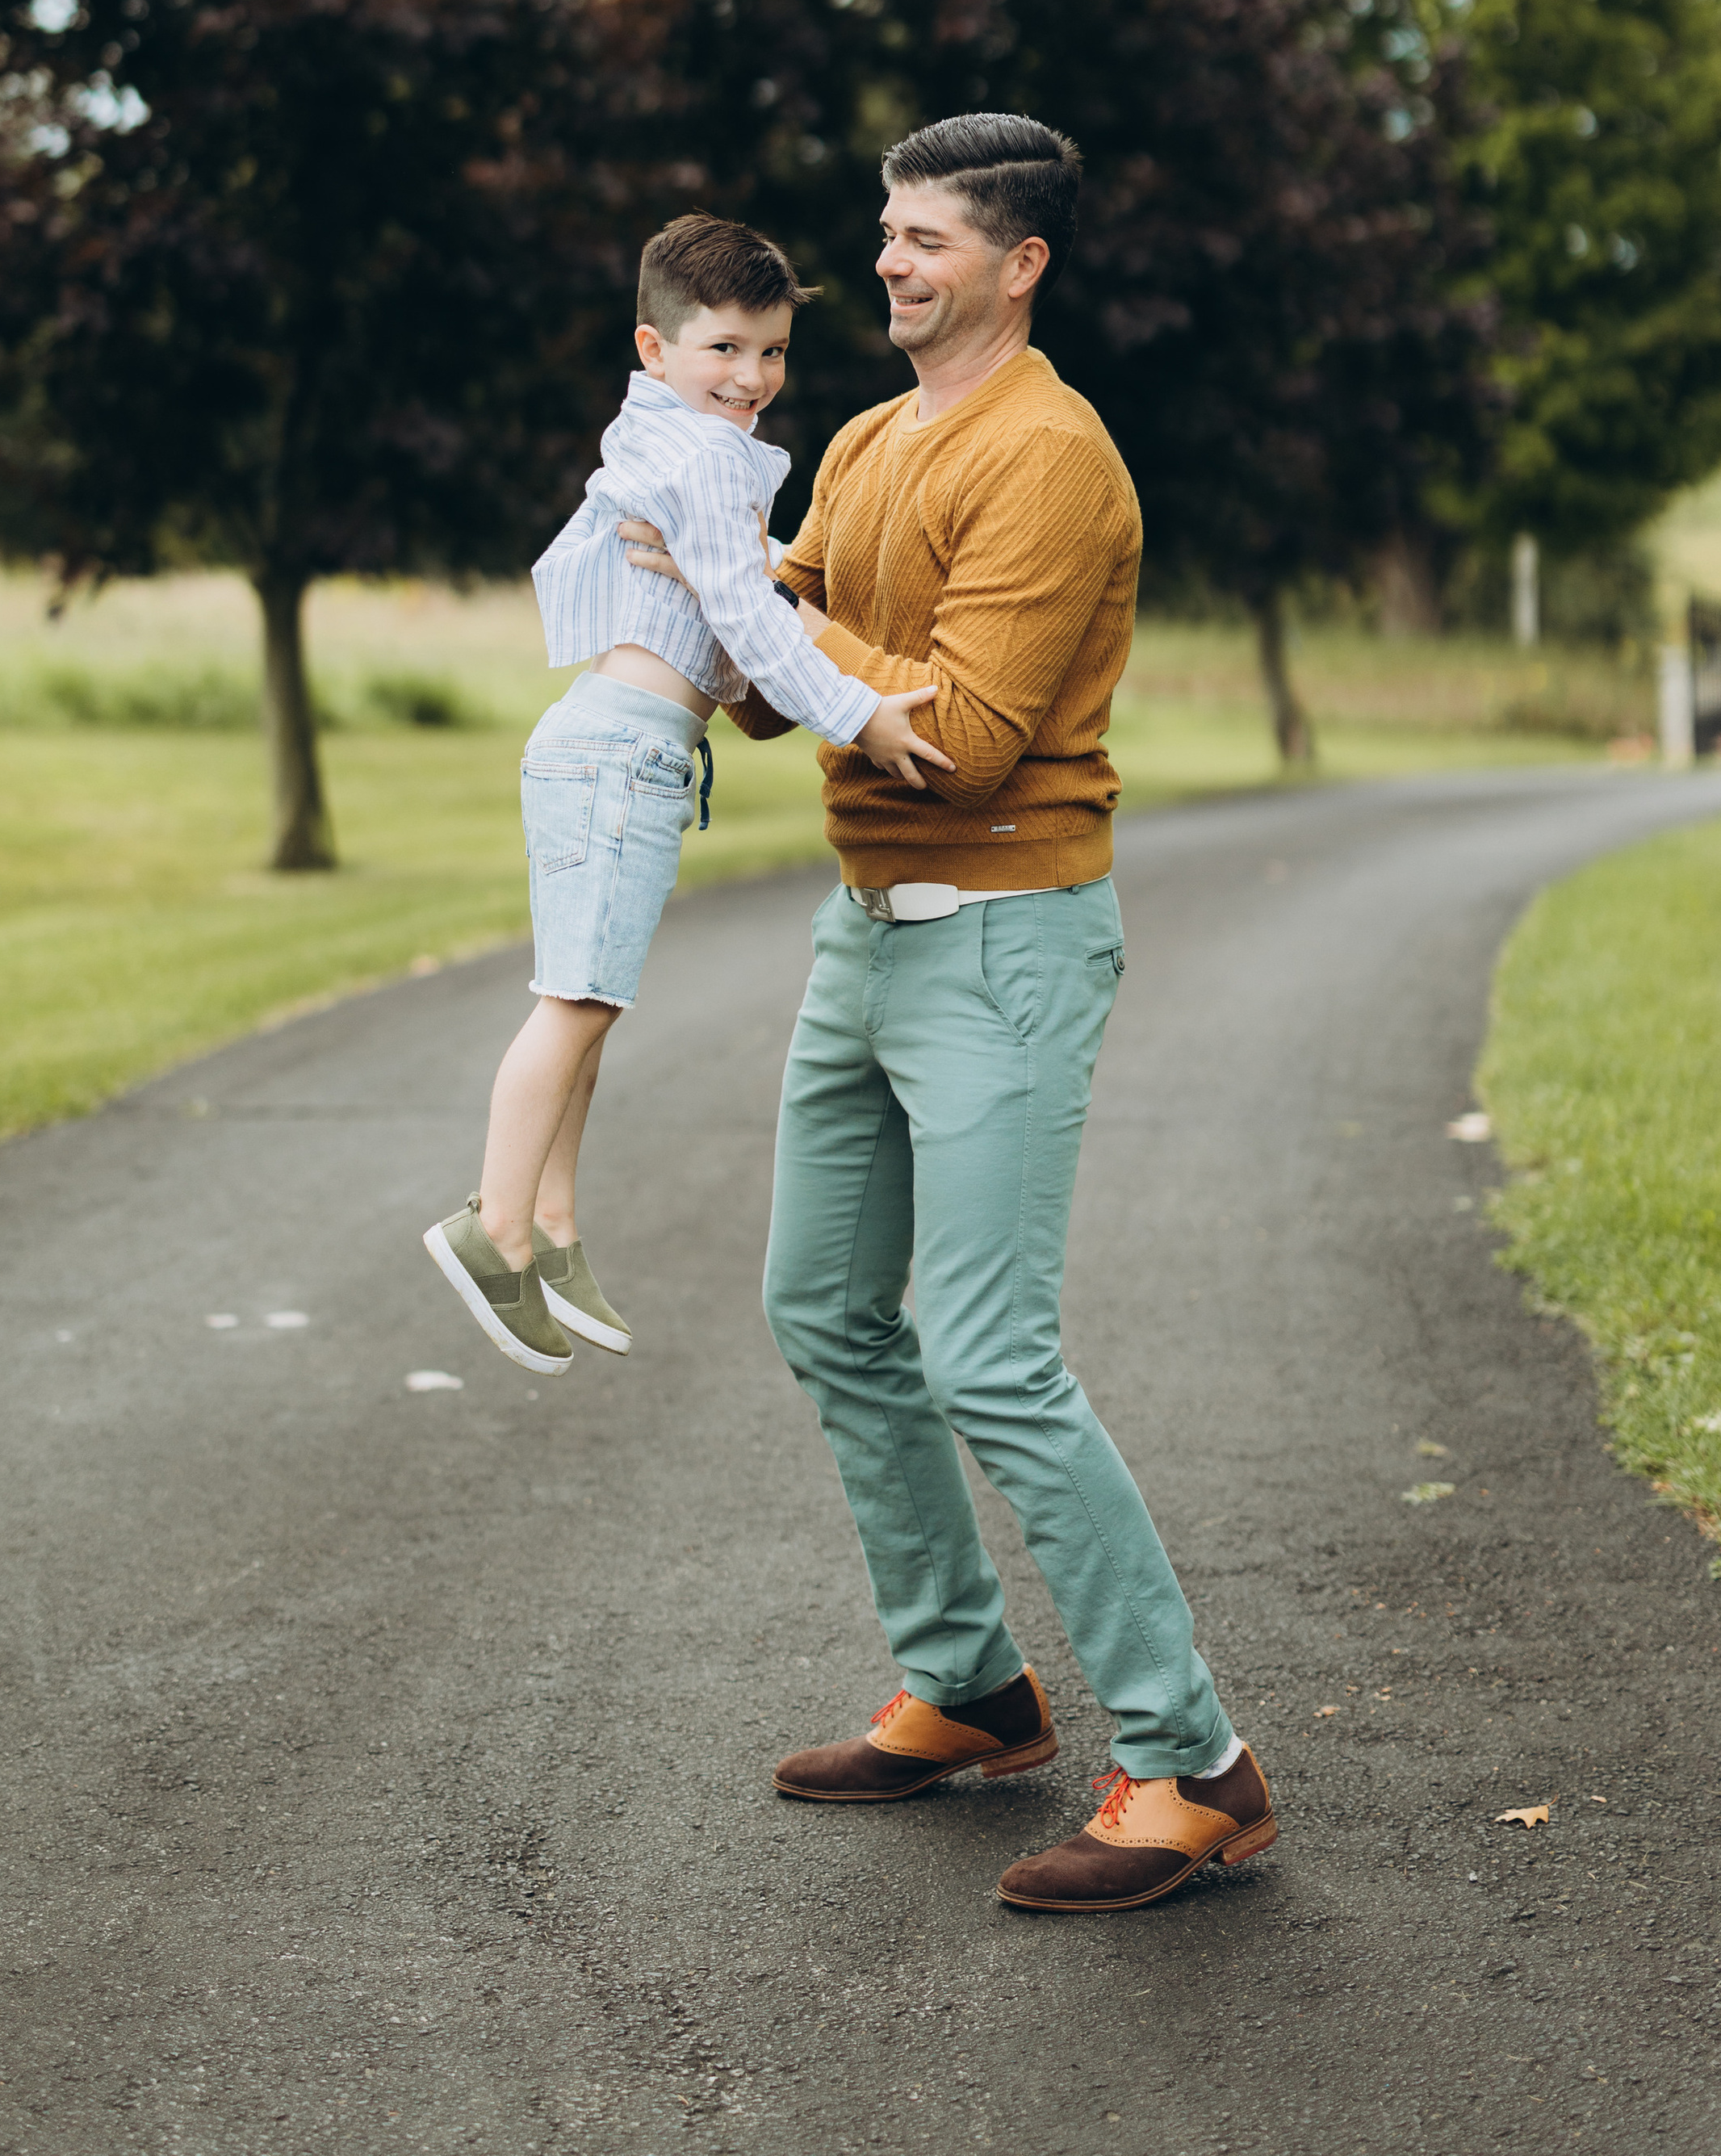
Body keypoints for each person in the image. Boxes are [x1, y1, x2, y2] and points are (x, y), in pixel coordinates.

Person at [625, 115, 1275, 1913]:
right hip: (865, 936)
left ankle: (1191, 1764)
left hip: (1002, 933)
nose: (889, 264)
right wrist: (694, 585)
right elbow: (780, 698)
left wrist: (769, 619)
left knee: (986, 1353)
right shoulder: (853, 438)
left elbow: (965, 738)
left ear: (1017, 264)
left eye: (923, 240)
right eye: (885, 234)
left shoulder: (1050, 460)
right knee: (824, 1305)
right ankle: (973, 1688)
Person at [423, 211, 952, 1379]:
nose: (753, 379)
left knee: (590, 1002)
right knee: (575, 1002)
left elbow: (734, 596)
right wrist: (860, 712)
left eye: (770, 352)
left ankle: (553, 1227)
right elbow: (750, 616)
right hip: (624, 751)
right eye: (723, 349)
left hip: (608, 745)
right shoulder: (704, 458)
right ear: (654, 351)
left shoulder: (666, 439)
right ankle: (493, 1226)